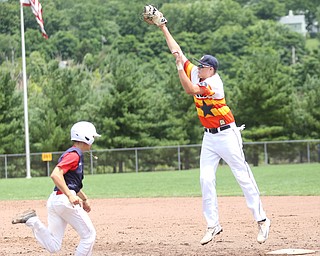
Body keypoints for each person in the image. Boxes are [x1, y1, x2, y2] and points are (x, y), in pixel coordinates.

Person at [157, 24, 270, 245]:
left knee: (243, 176)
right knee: (205, 179)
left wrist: (180, 69)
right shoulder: (198, 74)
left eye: (204, 67)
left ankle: (262, 220)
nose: (199, 69)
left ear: (212, 70)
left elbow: (190, 90)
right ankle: (213, 225)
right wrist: (163, 27)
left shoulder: (214, 83)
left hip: (228, 134)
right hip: (209, 137)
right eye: (199, 66)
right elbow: (177, 50)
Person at [12, 121, 101, 255]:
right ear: (86, 137)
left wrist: (85, 198)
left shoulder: (73, 154)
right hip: (64, 200)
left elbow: (70, 183)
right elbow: (55, 175)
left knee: (54, 245)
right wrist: (70, 195)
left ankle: (32, 220)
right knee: (89, 236)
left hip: (55, 200)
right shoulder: (74, 155)